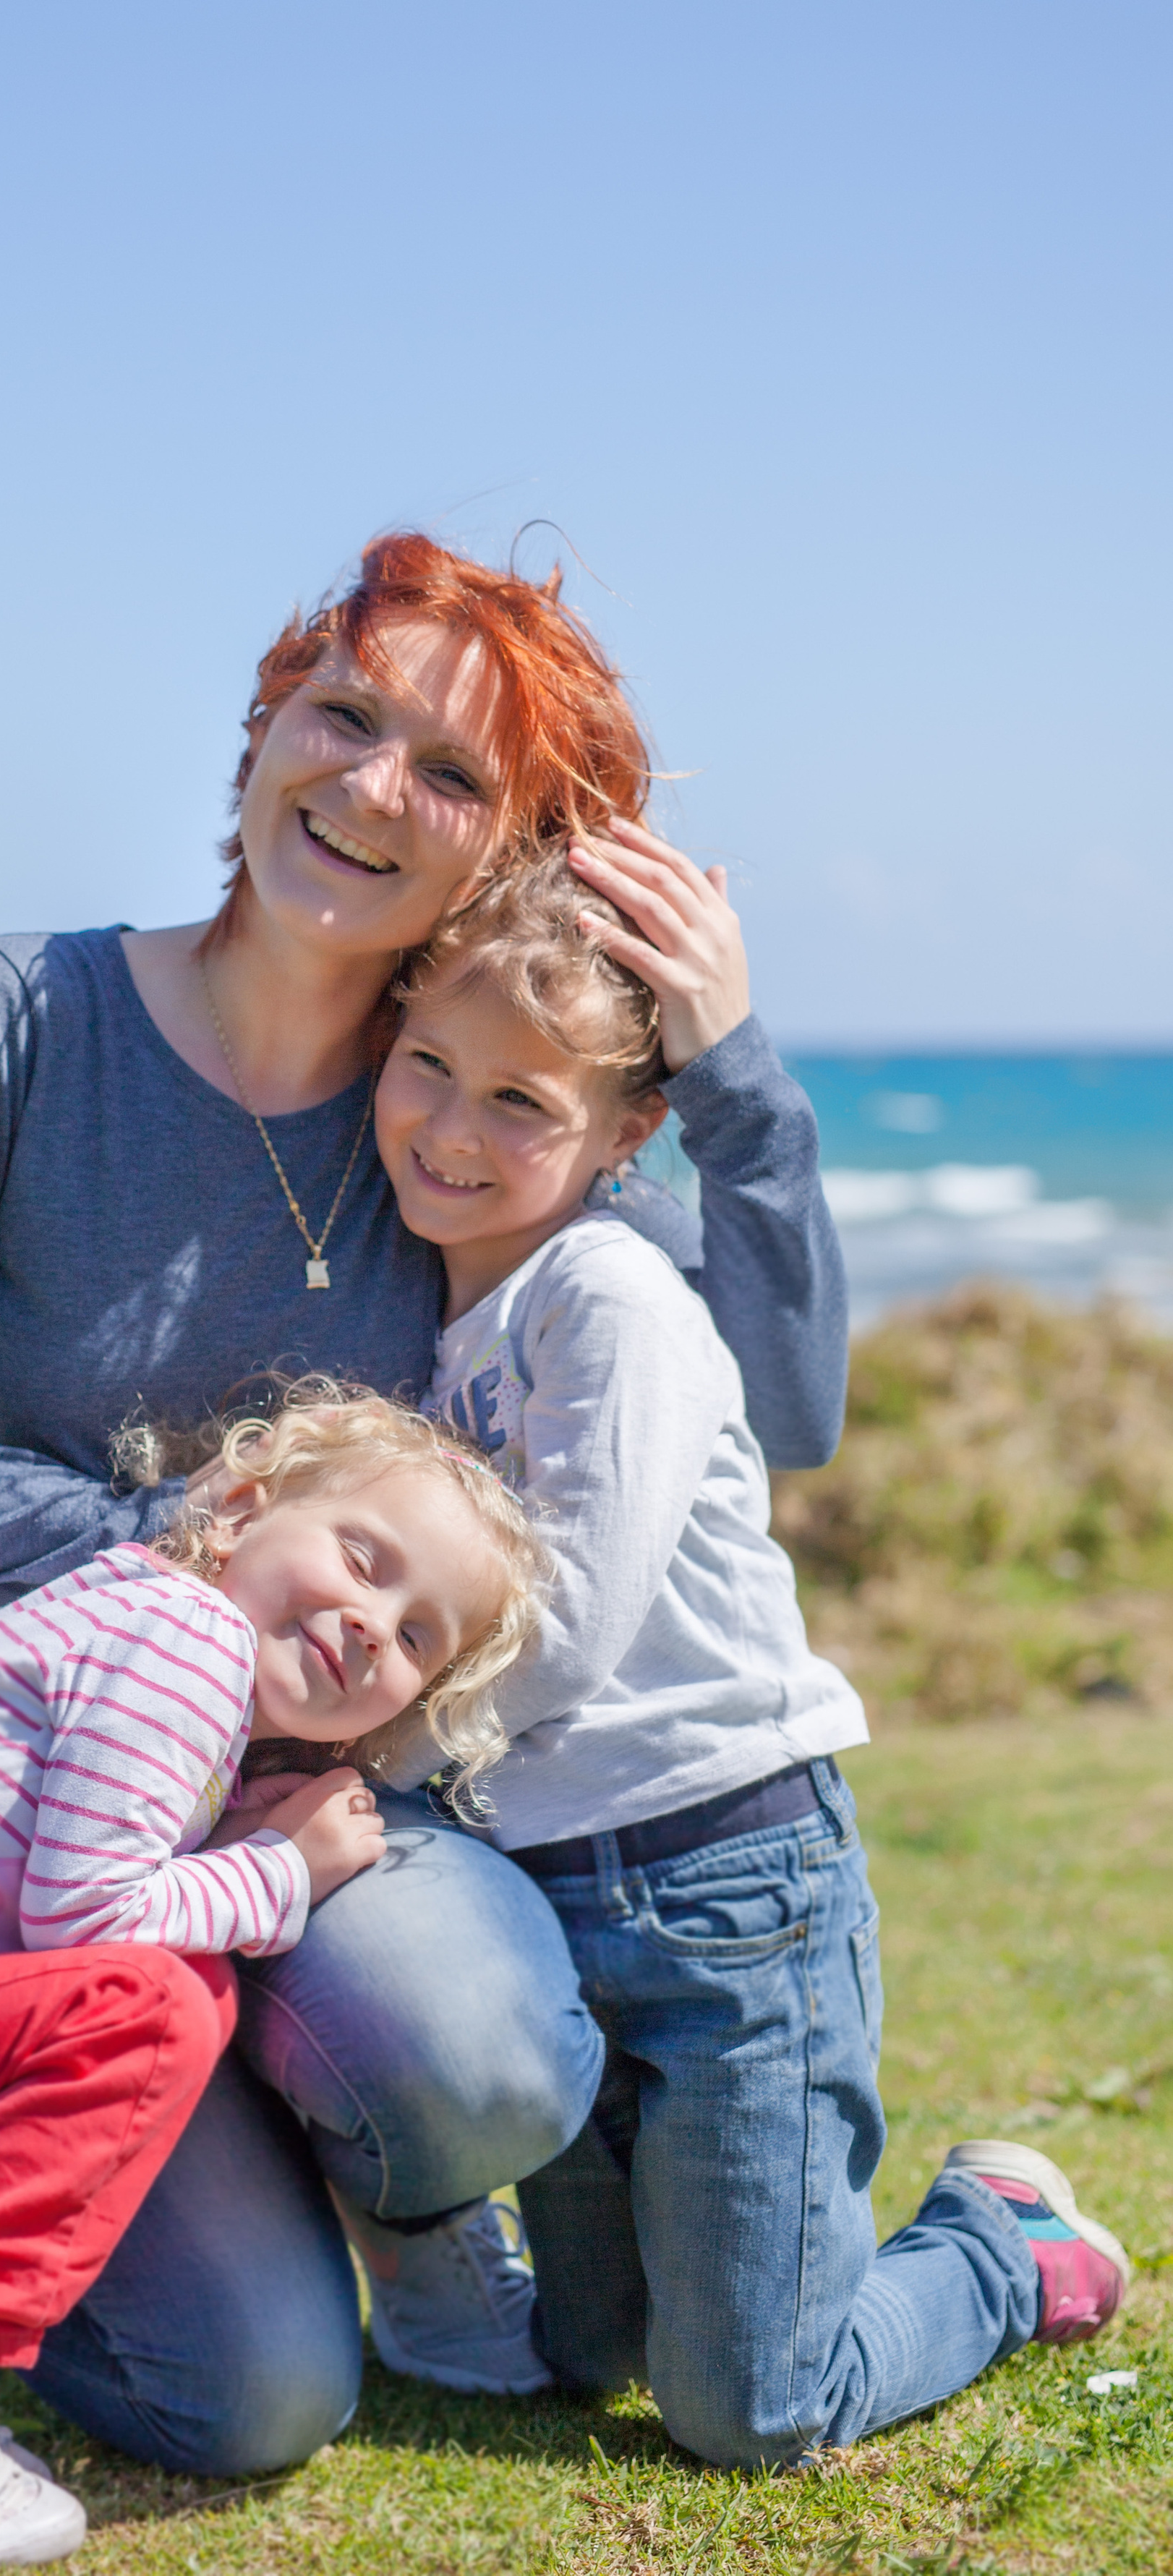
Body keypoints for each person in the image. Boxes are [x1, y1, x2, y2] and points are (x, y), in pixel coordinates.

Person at [0, 532, 851, 2470]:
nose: (373, 787)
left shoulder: (459, 1108)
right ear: (262, 731)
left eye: (454, 775)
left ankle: (265, 2163)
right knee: (256, 2402)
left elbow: (780, 1408)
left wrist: (738, 1083)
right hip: (31, 1835)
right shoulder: (27, 1017)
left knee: (475, 2058)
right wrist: (149, 1564)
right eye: (343, 715)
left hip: (322, 1827)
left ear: (513, 853)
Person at [338, 847, 1130, 2466]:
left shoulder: (612, 1292)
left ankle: (996, 2236)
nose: (450, 1127)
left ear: (628, 1133)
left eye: (520, 1102)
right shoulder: (437, 1327)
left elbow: (563, 1627)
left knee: (755, 2403)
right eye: (428, 1063)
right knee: (586, 2353)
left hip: (727, 1888)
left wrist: (360, 1773)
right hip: (555, 1899)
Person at [0, 1386, 548, 2564]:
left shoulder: (151, 1635)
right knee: (165, 2000)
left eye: (420, 1636)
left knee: (166, 1984)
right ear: (236, 1506)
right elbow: (89, 1917)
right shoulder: (186, 1640)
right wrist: (280, 1870)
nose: (377, 1622)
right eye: (363, 1559)